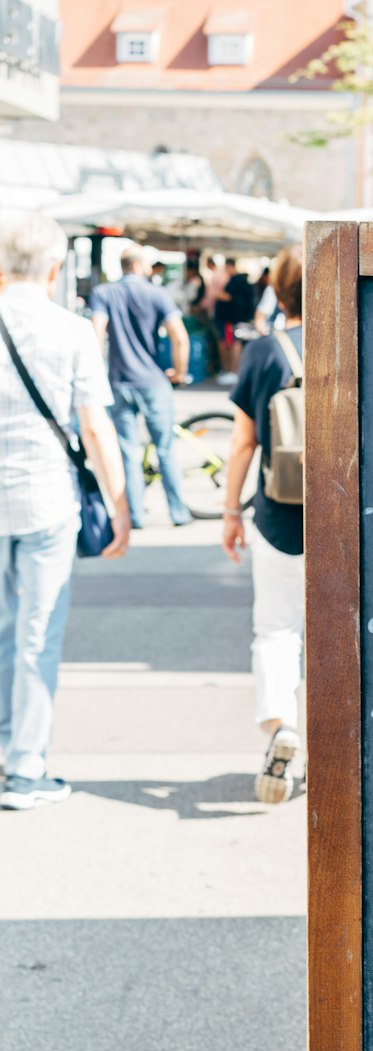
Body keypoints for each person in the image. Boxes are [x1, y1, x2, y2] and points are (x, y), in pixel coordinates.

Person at [0, 212, 130, 811]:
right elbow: (96, 428)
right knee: (36, 636)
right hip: (47, 501)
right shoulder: (72, 331)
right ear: (54, 270)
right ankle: (25, 770)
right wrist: (120, 504)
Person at [221, 245, 303, 804]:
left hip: (279, 513)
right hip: (351, 513)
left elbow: (243, 441)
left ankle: (282, 727)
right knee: (341, 635)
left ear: (277, 287)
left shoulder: (263, 352)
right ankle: (338, 743)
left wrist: (230, 512)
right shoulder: (354, 341)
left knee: (276, 629)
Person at [89, 243, 194, 529]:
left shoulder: (103, 293)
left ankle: (135, 515)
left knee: (128, 450)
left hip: (118, 381)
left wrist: (96, 373)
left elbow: (96, 333)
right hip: (154, 381)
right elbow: (180, 337)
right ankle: (178, 513)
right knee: (165, 448)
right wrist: (180, 372)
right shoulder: (157, 294)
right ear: (137, 266)